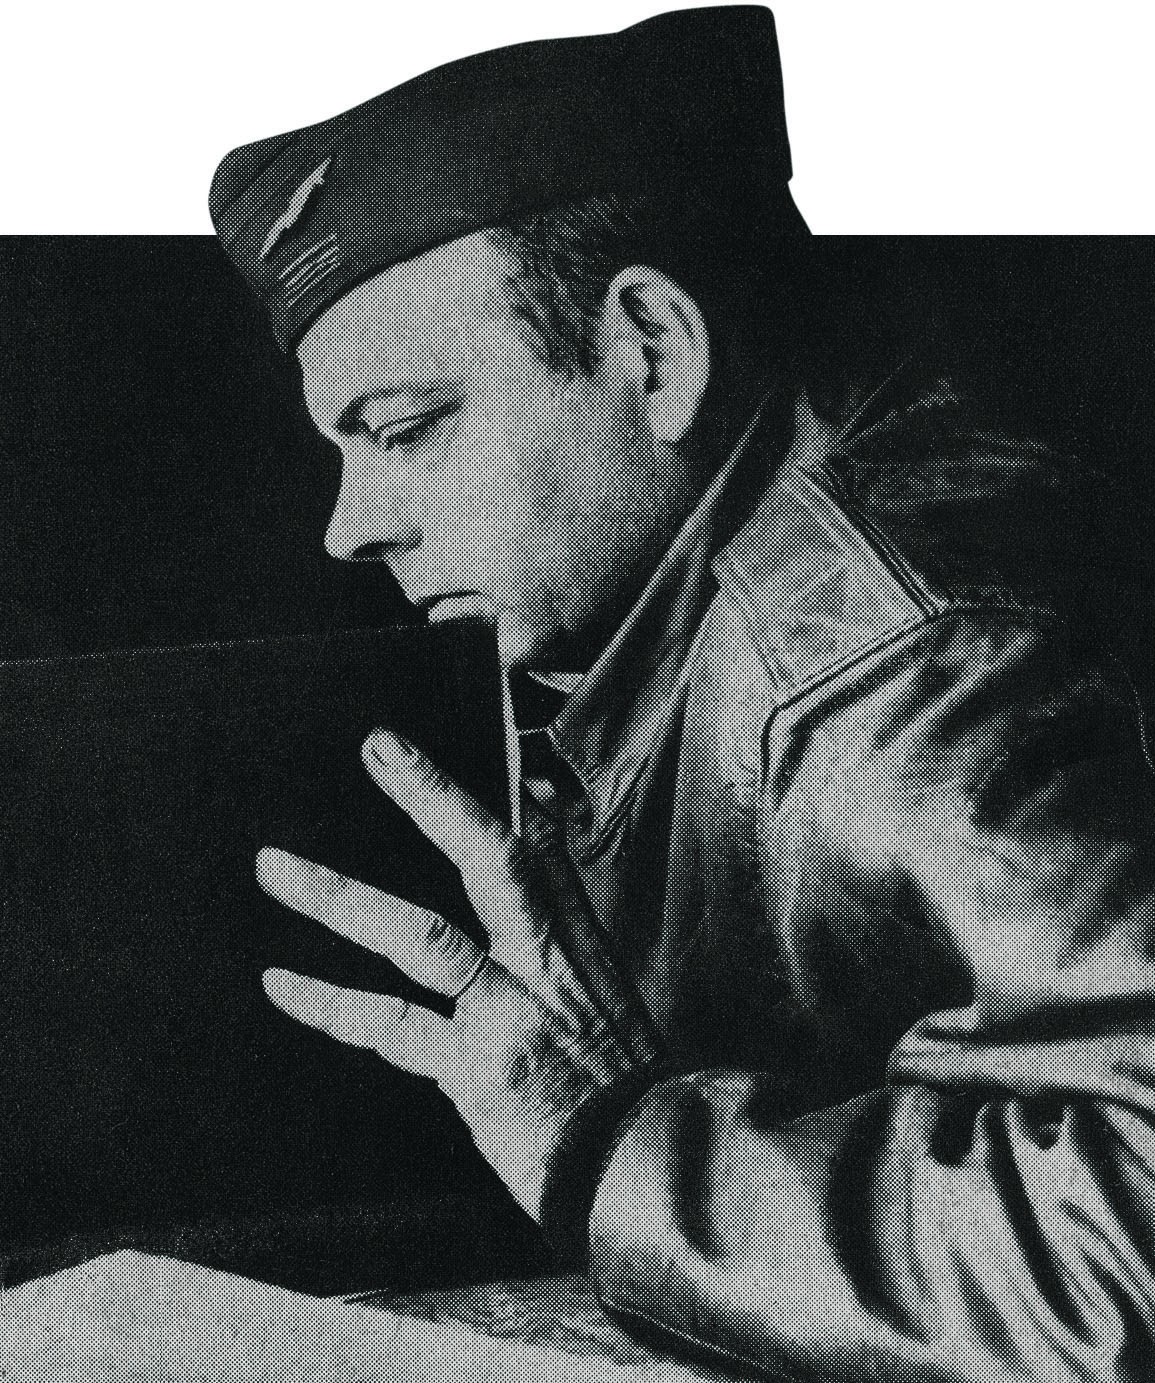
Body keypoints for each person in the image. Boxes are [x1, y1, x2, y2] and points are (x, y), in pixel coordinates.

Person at [210, 8, 1155, 1379]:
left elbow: (1121, 1253)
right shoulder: (654, 601)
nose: (349, 527)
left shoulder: (899, 670)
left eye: (409, 428)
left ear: (653, 347)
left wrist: (603, 1139)